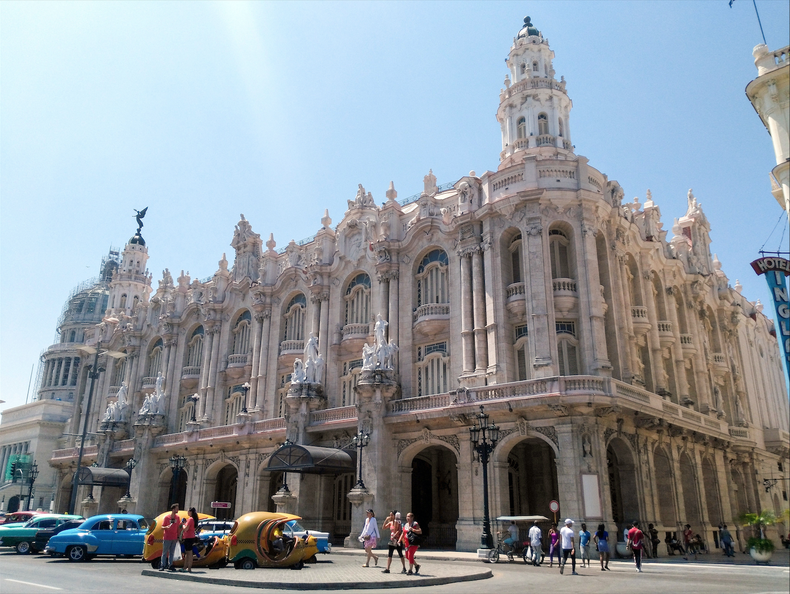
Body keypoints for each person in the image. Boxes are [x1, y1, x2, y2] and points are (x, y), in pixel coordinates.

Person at [160, 504, 181, 572]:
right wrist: (166, 527)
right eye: (176, 508)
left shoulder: (177, 518)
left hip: (174, 537)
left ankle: (170, 565)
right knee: (165, 552)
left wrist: (178, 535)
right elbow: (162, 527)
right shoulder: (166, 517)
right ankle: (162, 565)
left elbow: (178, 527)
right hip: (167, 537)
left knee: (172, 552)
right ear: (173, 509)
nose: (177, 510)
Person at [181, 507, 198, 573]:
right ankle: (185, 567)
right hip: (191, 537)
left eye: (188, 511)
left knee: (189, 553)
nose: (187, 512)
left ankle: (189, 568)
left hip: (188, 537)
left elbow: (186, 529)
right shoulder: (193, 519)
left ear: (191, 512)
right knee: (188, 553)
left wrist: (183, 524)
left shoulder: (190, 519)